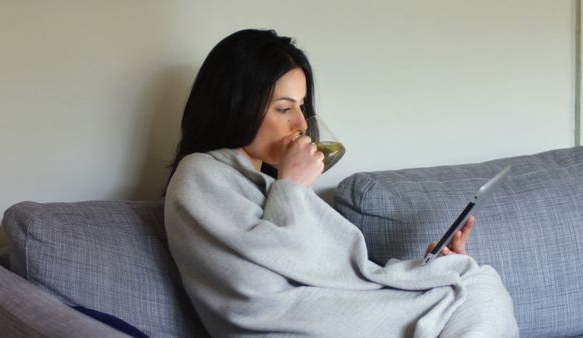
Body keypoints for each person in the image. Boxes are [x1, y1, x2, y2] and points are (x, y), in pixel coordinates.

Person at [164, 29, 518, 337]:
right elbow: (254, 288)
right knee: (474, 286)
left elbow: (341, 275)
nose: (302, 124)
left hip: (337, 314)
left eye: (302, 107)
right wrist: (292, 186)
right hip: (297, 325)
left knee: (470, 279)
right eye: (284, 109)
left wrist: (424, 271)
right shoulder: (198, 175)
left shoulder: (265, 184)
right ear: (236, 106)